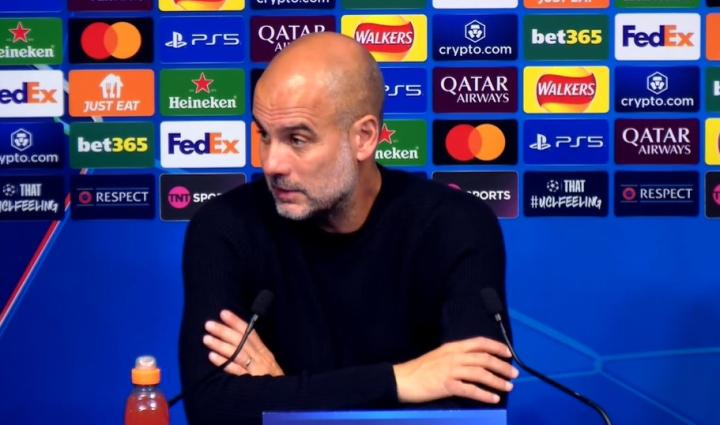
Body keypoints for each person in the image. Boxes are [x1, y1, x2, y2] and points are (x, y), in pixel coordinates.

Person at [179, 32, 517, 425]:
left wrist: (282, 394)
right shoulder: (226, 227)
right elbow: (211, 407)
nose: (271, 164)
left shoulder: (455, 225)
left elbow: (475, 407)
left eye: (297, 139)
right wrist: (400, 381)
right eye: (265, 136)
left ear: (364, 138)